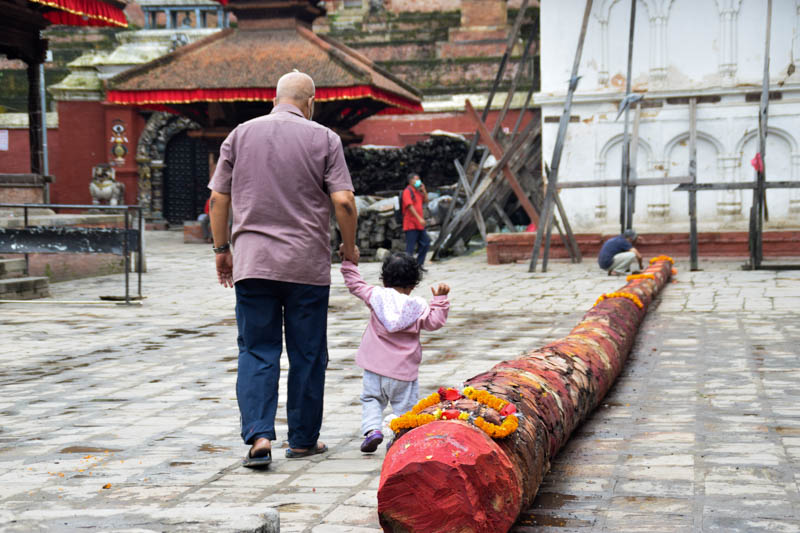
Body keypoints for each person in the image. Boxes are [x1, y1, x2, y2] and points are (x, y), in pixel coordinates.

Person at [208, 71, 359, 468]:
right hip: (305, 266)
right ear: (311, 102)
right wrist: (349, 246)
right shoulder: (324, 138)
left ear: (275, 98)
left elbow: (218, 199)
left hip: (253, 263)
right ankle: (304, 440)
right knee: (308, 353)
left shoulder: (239, 134)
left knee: (257, 350)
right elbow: (343, 201)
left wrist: (222, 249)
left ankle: (259, 437)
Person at [340, 251, 450, 453]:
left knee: (372, 399)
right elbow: (434, 323)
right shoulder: (418, 306)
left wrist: (349, 262)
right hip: (403, 372)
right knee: (405, 408)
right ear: (414, 283)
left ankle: (373, 430)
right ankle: (401, 436)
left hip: (374, 367)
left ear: (384, 279)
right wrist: (440, 300)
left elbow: (355, 284)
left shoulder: (376, 296)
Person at [401, 173, 430, 267]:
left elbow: (426, 201)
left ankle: (418, 265)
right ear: (410, 181)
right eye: (416, 179)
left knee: (426, 243)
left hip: (419, 224)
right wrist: (419, 218)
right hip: (411, 224)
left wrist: (424, 190)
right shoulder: (407, 191)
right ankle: (407, 267)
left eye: (419, 179)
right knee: (410, 248)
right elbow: (409, 206)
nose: (418, 181)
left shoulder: (417, 191)